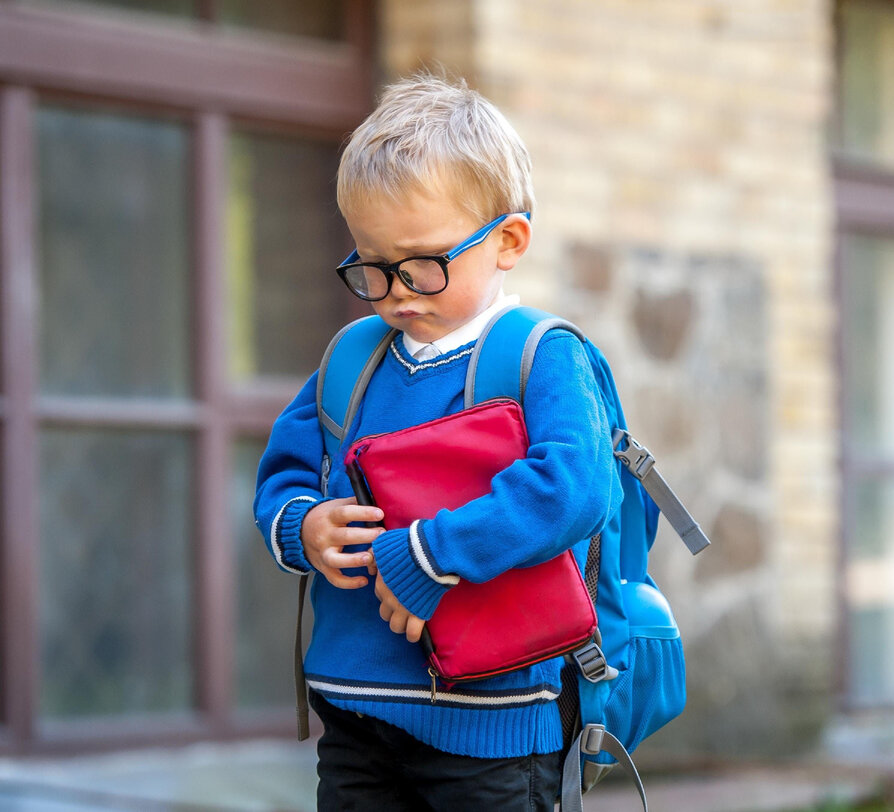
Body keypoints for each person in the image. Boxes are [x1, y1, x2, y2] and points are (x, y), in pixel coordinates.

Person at [253, 74, 621, 811]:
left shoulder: (538, 356)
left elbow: (575, 490)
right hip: (354, 716)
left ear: (508, 240)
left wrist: (427, 555)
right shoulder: (355, 359)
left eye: (422, 263)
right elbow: (285, 475)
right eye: (371, 266)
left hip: (492, 727)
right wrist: (301, 526)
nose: (395, 292)